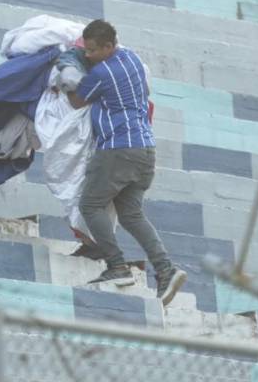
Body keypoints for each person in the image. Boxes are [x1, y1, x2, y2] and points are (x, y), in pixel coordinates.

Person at [65, 19, 187, 304]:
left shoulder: (102, 73)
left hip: (117, 150)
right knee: (131, 214)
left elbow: (77, 100)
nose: (88, 55)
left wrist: (65, 72)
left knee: (90, 205)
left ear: (109, 46)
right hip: (145, 150)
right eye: (86, 49)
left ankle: (116, 266)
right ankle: (165, 269)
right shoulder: (131, 59)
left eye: (93, 50)